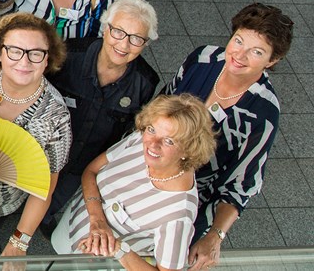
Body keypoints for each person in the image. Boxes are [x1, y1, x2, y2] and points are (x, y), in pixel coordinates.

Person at [163, 3, 294, 271]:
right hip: (147, 168)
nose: (239, 55)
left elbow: (241, 184)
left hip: (188, 201)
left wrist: (215, 235)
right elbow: (162, 103)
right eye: (238, 41)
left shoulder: (263, 113)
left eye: (256, 52)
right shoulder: (203, 59)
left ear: (272, 61)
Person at [52, 94, 216, 271]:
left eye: (169, 141)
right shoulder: (140, 139)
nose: (152, 144)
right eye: (152, 130)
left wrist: (118, 249)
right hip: (72, 225)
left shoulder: (178, 214)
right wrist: (96, 219)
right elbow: (91, 171)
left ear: (189, 149)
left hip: (98, 263)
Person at [0, 12, 71, 257]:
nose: (24, 62)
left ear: (47, 60)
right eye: (15, 50)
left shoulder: (54, 116)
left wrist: (19, 241)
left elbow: (45, 187)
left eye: (35, 53)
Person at [43, 0, 161, 229]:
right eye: (118, 32)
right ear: (105, 30)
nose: (124, 45)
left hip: (85, 161)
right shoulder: (68, 55)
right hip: (44, 147)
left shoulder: (145, 82)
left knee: (59, 197)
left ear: (145, 44)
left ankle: (45, 217)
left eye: (136, 39)